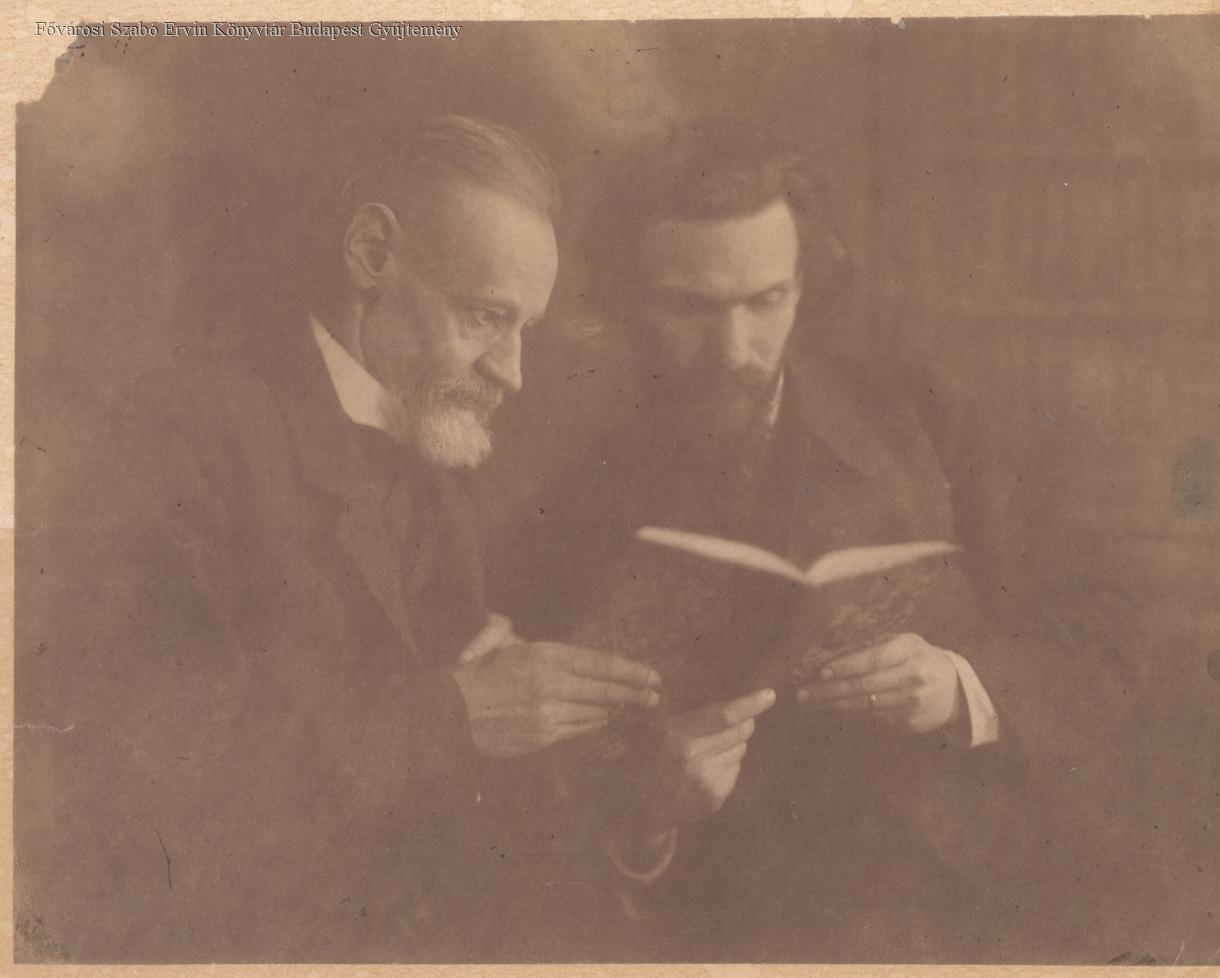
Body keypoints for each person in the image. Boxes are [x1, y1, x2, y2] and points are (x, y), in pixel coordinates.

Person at [14, 115, 663, 963]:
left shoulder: (437, 450)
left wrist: (639, 804)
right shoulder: (184, 436)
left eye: (524, 329)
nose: (512, 372)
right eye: (483, 316)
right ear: (370, 253)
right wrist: (457, 712)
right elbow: (147, 768)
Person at [495, 117, 1123, 962]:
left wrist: (960, 687)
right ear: (624, 299)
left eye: (767, 302)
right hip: (726, 936)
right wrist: (644, 819)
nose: (735, 350)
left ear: (803, 286)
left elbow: (1105, 646)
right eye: (688, 307)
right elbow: (518, 834)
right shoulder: (562, 510)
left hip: (963, 917)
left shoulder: (924, 422)